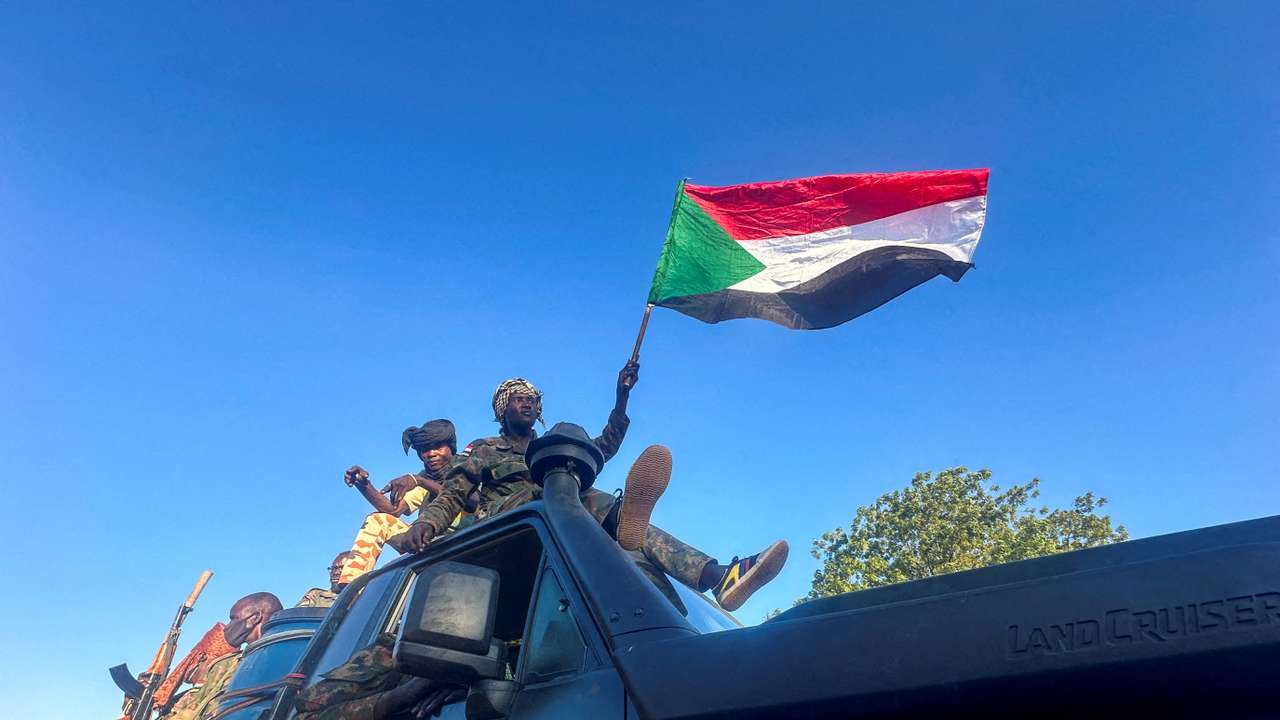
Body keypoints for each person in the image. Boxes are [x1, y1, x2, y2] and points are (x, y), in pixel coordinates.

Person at [403, 364, 787, 612]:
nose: (527, 404)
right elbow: (455, 490)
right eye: (518, 399)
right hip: (513, 524)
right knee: (579, 495)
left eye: (533, 400)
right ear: (502, 409)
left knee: (630, 554)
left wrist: (621, 399)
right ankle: (627, 522)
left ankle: (700, 593)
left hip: (565, 517)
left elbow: (600, 449)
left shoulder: (551, 444)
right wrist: (430, 524)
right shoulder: (484, 448)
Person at [336, 419, 476, 584]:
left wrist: (419, 481)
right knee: (378, 521)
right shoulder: (424, 477)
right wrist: (363, 484)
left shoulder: (467, 467)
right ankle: (352, 588)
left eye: (438, 447)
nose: (431, 454)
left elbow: (470, 501)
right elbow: (394, 511)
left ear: (450, 448)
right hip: (427, 543)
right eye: (425, 449)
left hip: (465, 540)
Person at [163, 592, 284, 720]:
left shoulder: (276, 659)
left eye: (233, 618)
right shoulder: (226, 664)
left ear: (254, 618)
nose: (227, 627)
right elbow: (198, 707)